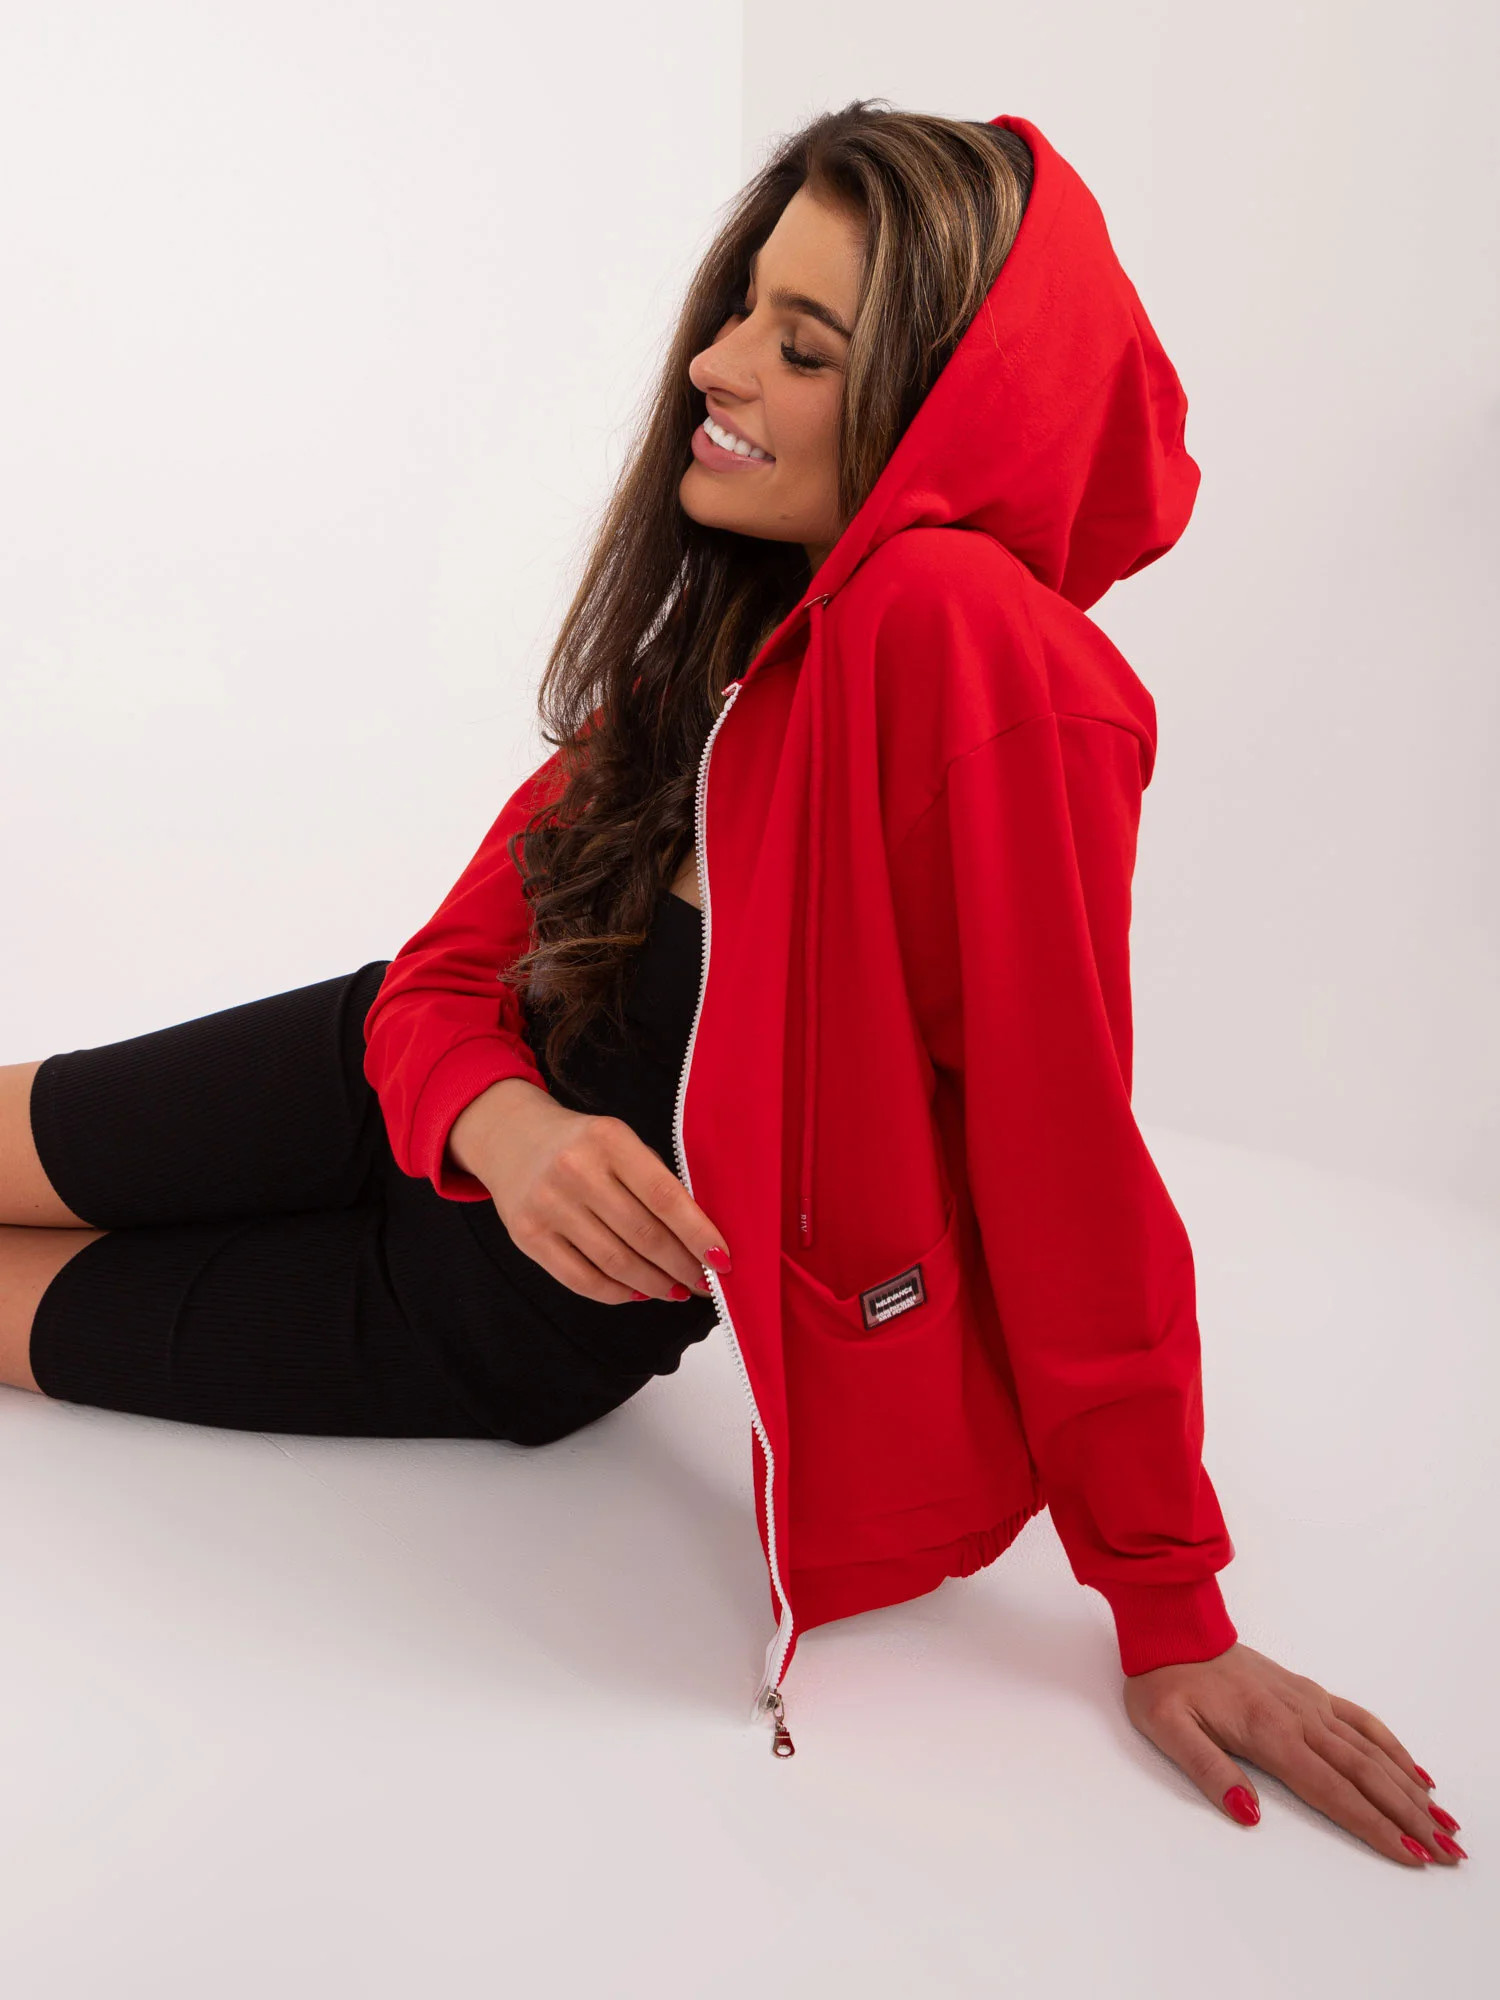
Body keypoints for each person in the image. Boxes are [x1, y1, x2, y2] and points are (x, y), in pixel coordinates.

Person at [0, 103, 1464, 1867]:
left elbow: (1062, 1153)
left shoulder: (976, 654)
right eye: (742, 306)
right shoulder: (732, 644)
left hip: (486, 1313)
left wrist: (1172, 1607)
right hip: (380, 1086)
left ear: (934, 405)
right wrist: (511, 1127)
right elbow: (438, 982)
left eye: (805, 345)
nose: (714, 361)